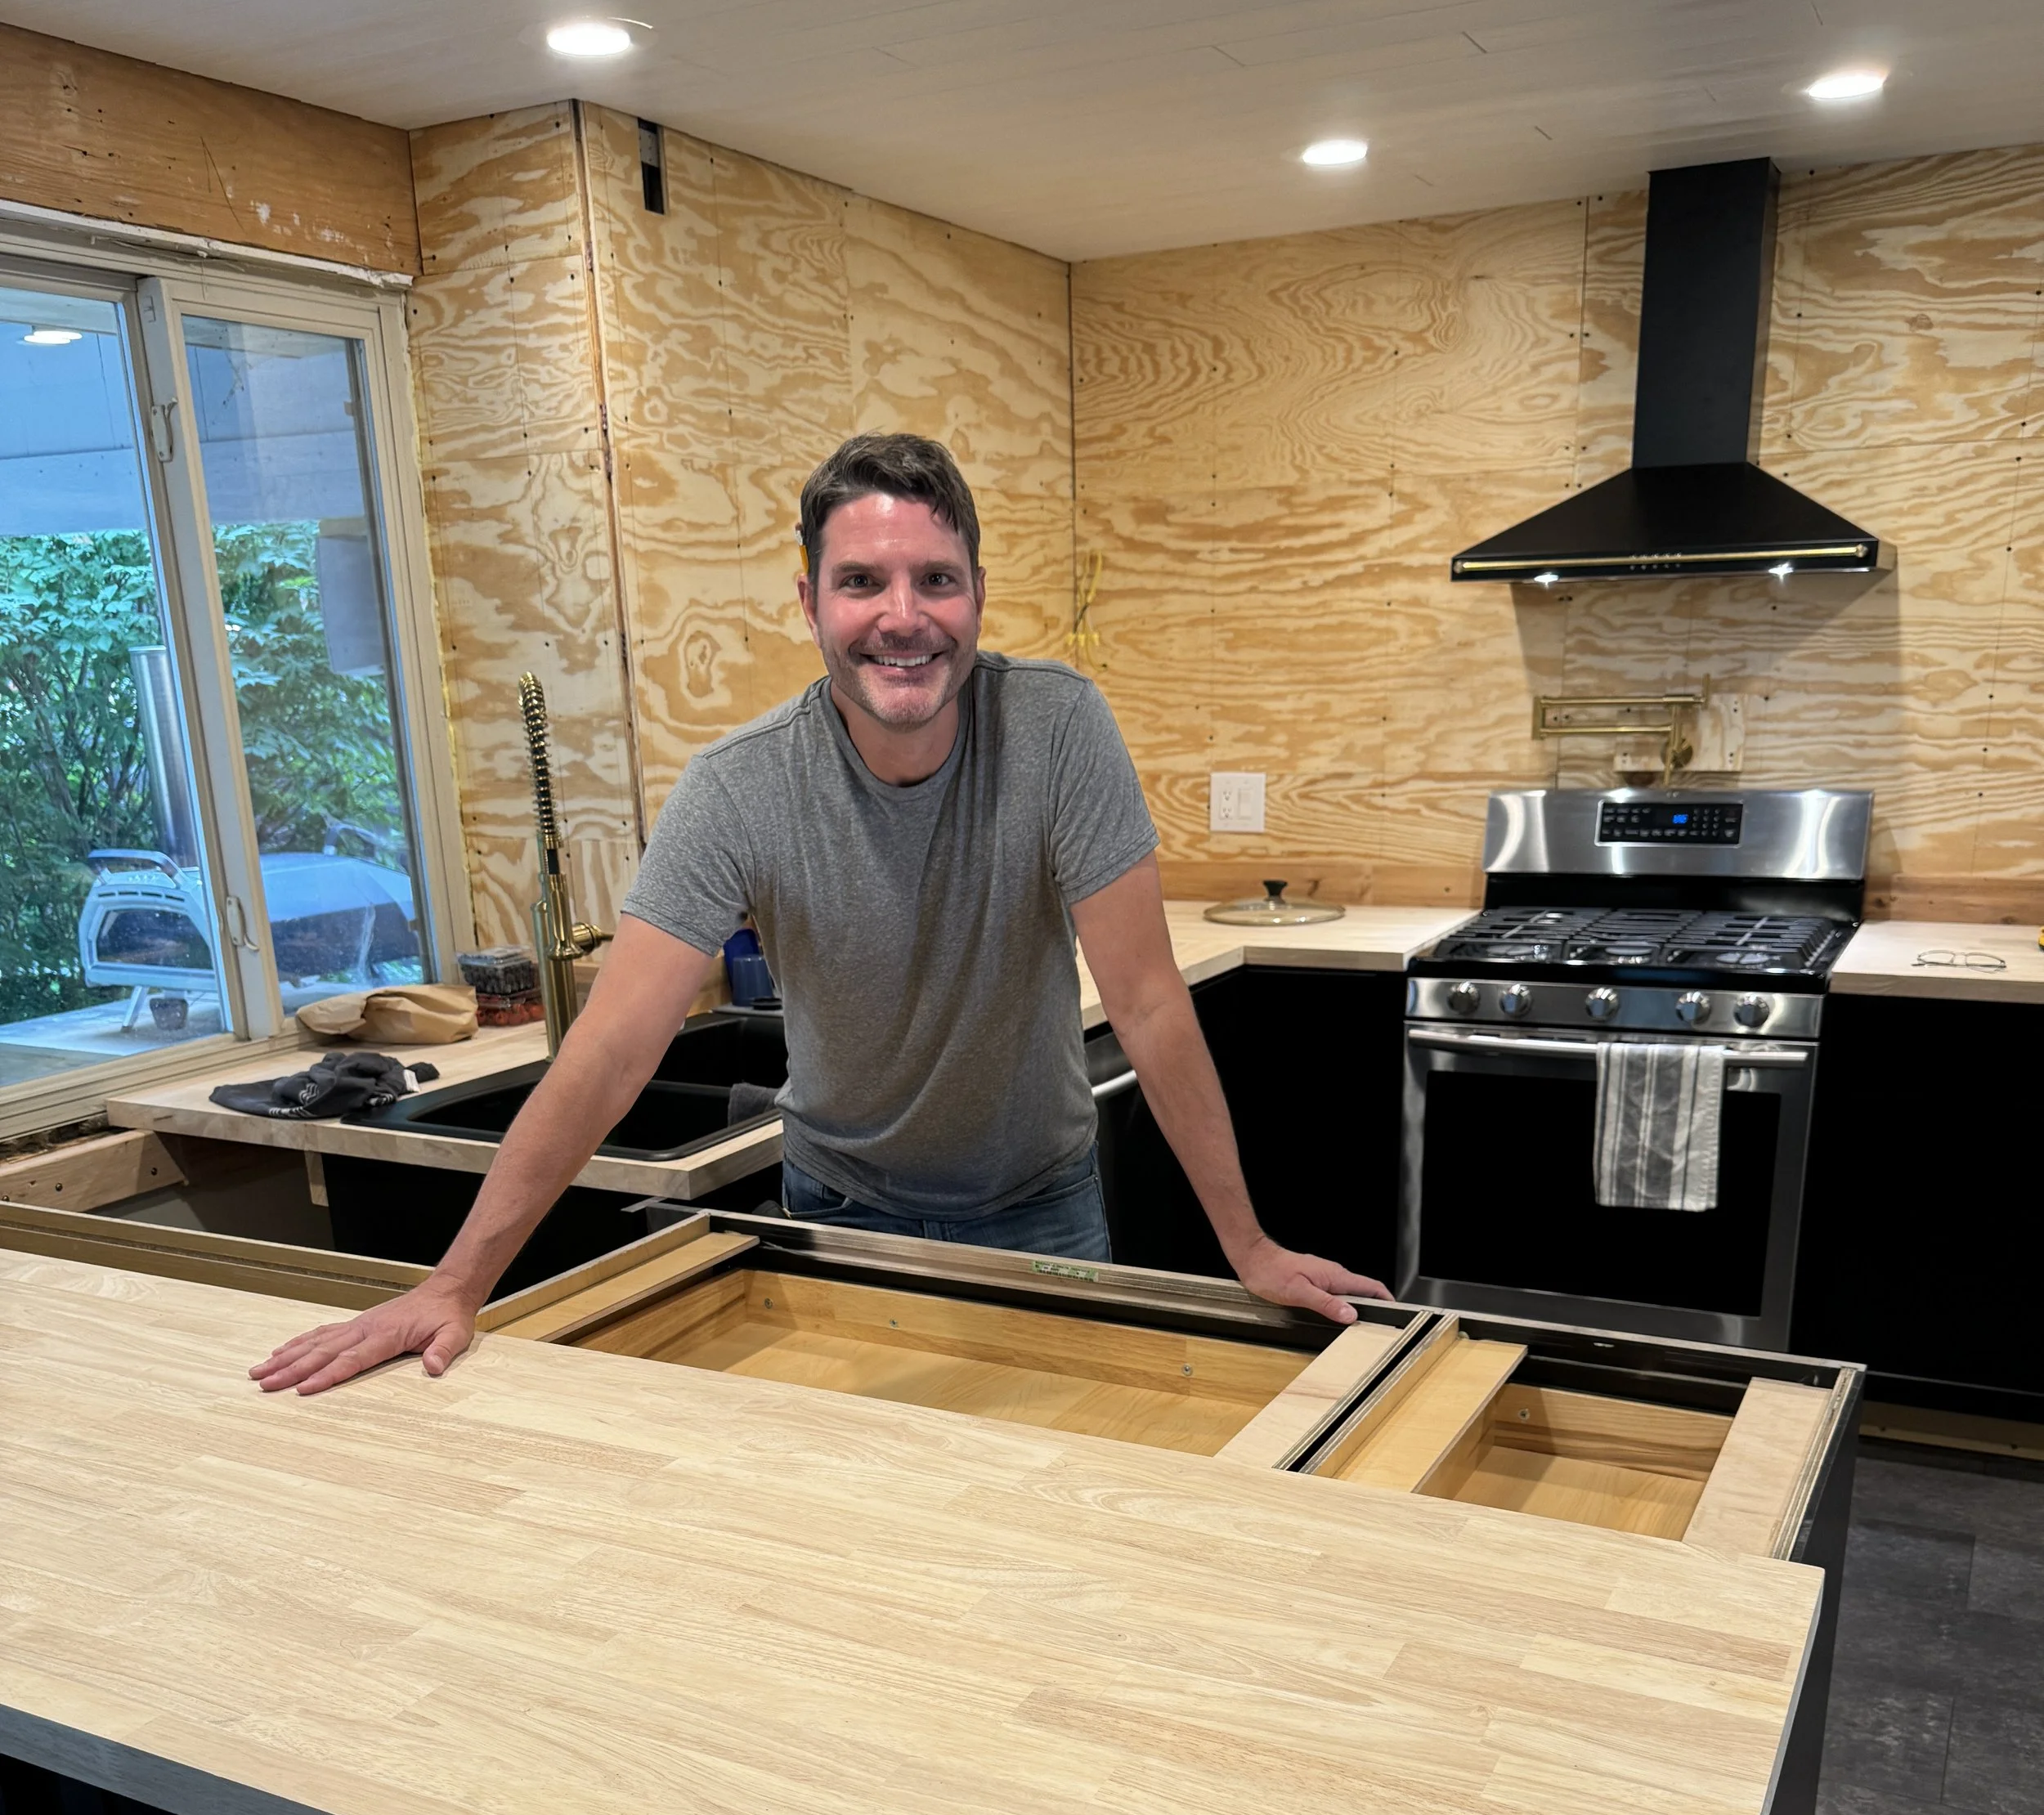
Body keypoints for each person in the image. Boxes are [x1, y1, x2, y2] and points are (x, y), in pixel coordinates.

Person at [254, 432, 1387, 1397]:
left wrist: (1248, 1246)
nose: (904, 617)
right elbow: (609, 1052)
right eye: (861, 582)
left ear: (978, 595)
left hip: (1042, 1214)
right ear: (809, 603)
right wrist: (455, 1288)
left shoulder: (1057, 731)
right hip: (839, 1216)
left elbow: (1146, 1002)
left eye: (936, 579)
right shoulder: (739, 789)